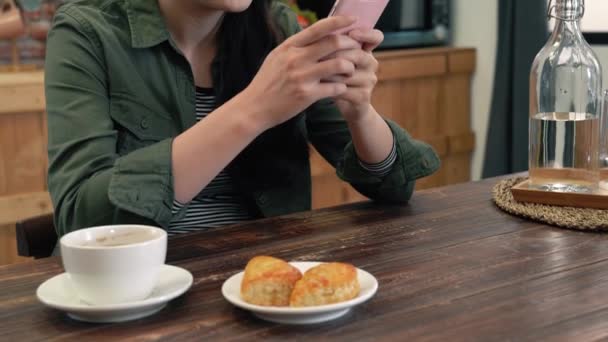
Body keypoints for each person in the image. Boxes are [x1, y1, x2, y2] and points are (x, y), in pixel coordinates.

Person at [46, 0, 440, 238]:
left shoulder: (278, 29)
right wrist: (254, 108)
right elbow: (81, 220)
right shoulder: (87, 32)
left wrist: (359, 112)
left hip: (271, 285)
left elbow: (394, 188)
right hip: (144, 290)